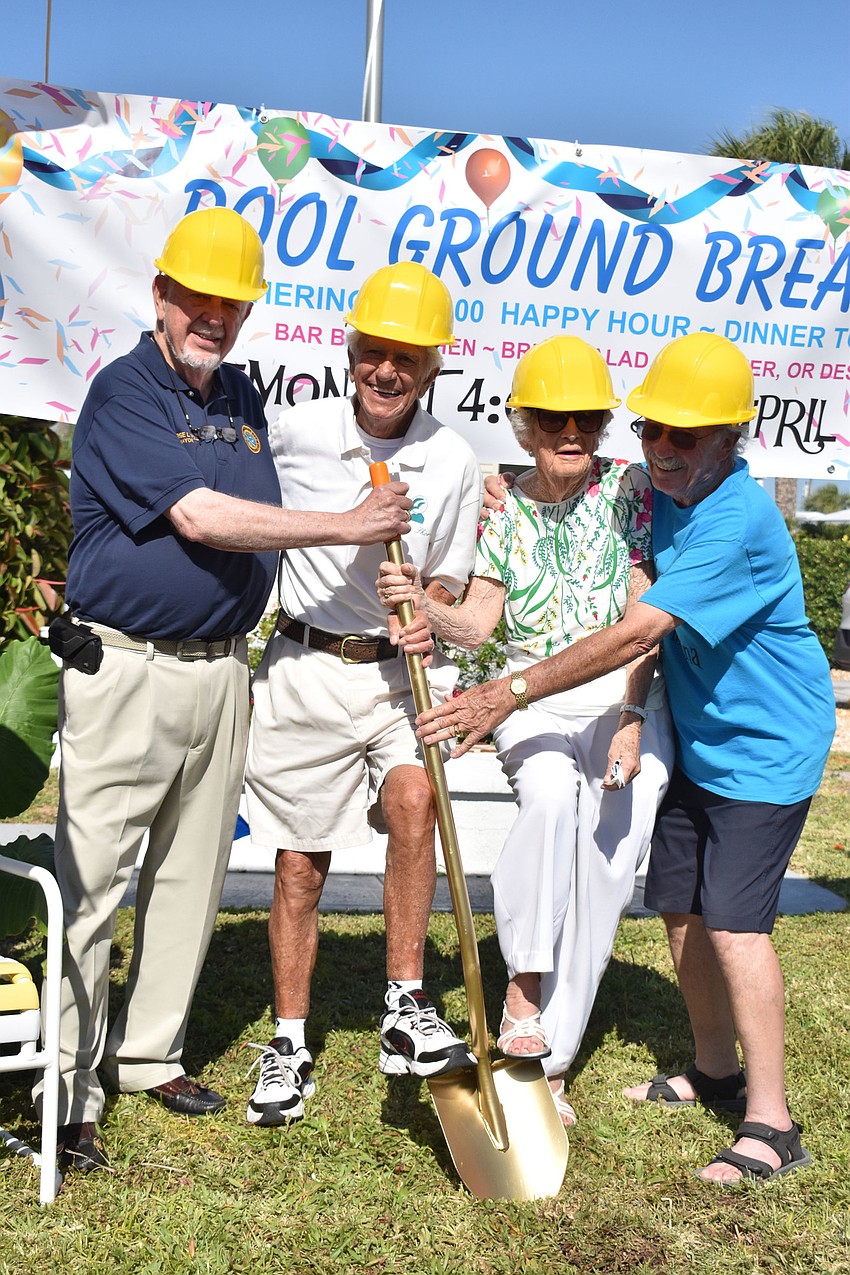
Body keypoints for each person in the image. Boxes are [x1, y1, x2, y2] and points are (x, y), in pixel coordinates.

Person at [37, 208, 414, 1175]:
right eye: (196, 299)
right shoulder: (121, 393)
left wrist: (481, 484)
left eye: (229, 303)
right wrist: (344, 526)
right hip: (128, 670)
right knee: (91, 887)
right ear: (159, 297)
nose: (213, 317)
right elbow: (203, 516)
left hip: (220, 670)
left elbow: (317, 451)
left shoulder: (245, 396)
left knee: (191, 877)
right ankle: (67, 1091)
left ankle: (148, 1052)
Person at [416, 332, 835, 1184]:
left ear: (730, 440)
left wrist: (531, 695)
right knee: (676, 901)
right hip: (704, 736)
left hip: (763, 748)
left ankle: (771, 1122)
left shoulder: (719, 513)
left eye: (688, 435)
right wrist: (446, 575)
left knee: (735, 924)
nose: (666, 449)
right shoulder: (658, 491)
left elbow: (641, 628)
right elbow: (498, 591)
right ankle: (706, 1065)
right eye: (654, 431)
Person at [376, 336, 674, 1126]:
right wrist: (420, 602)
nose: (568, 433)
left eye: (584, 419)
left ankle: (554, 1058)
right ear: (522, 426)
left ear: (604, 425)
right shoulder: (497, 500)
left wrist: (634, 719)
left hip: (622, 697)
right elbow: (476, 623)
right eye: (550, 420)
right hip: (524, 698)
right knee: (547, 796)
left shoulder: (634, 491)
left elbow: (644, 623)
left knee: (613, 839)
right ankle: (523, 989)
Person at [242, 261, 483, 1127]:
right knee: (300, 864)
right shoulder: (292, 431)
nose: (387, 371)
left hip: (396, 675)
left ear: (430, 370)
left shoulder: (452, 459)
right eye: (373, 352)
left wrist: (427, 607)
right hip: (305, 668)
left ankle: (403, 1006)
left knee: (417, 797)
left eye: (406, 359)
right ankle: (290, 1042)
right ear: (350, 353)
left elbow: (452, 588)